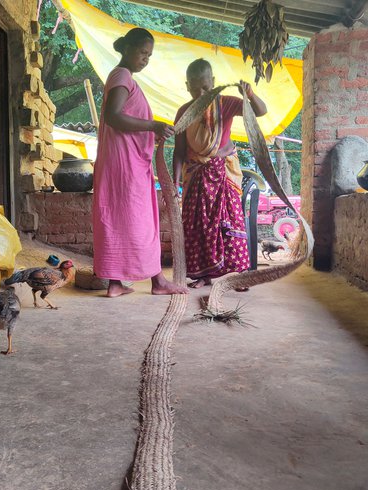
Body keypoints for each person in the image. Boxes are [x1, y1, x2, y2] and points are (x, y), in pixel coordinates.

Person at [92, 28, 188, 298]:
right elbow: (113, 117)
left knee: (117, 218)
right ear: (127, 48)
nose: (146, 59)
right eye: (142, 52)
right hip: (125, 166)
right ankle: (157, 282)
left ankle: (114, 284)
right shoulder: (122, 76)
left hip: (120, 163)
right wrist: (153, 124)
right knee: (141, 221)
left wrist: (152, 132)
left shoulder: (122, 77)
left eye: (149, 55)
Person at [173, 59, 268, 289]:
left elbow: (261, 111)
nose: (201, 93)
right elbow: (179, 151)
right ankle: (204, 275)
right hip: (196, 176)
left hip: (223, 174)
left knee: (230, 222)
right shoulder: (184, 112)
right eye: (195, 89)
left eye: (205, 87)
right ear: (187, 86)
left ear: (214, 83)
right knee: (199, 226)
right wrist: (174, 183)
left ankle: (235, 276)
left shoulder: (226, 103)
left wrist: (249, 94)